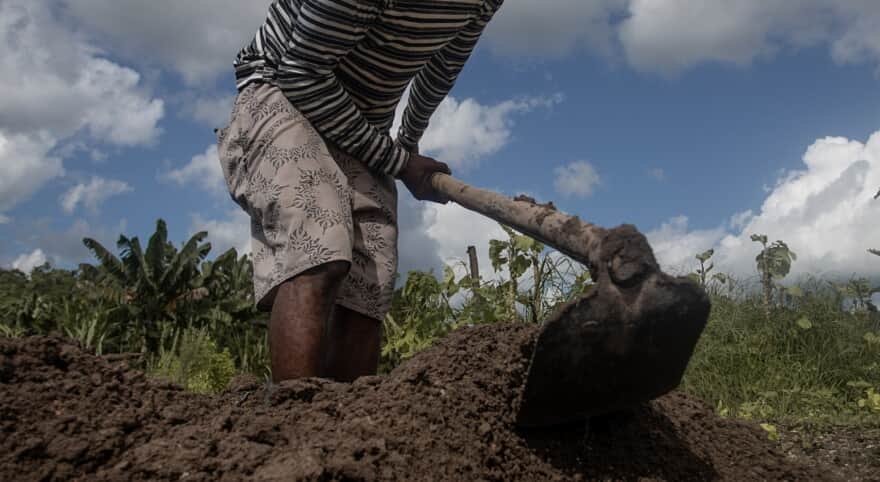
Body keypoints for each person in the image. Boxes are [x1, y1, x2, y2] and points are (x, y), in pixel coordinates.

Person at [217, 0, 503, 383]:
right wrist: (399, 163)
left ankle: (346, 432)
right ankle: (293, 426)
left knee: (371, 286)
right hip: (283, 92)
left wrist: (408, 143)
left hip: (363, 123)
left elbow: (442, 66)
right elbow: (302, 74)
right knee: (321, 248)